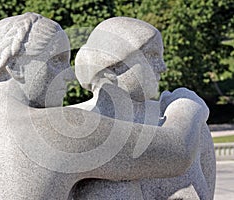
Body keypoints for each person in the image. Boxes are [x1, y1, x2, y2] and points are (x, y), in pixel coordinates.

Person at [0, 13, 210, 199]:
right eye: (57, 61)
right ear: (15, 66)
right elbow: (178, 150)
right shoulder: (55, 130)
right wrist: (187, 105)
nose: (68, 74)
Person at [71, 17, 215, 200]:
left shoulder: (184, 122)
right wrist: (188, 108)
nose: (162, 67)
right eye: (152, 56)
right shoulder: (74, 122)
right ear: (112, 66)